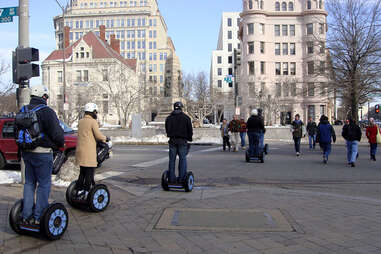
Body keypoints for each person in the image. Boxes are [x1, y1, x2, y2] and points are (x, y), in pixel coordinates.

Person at [20, 85, 64, 227]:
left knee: (29, 183)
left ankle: (26, 216)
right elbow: (57, 135)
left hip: (27, 153)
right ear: (44, 96)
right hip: (43, 153)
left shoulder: (23, 110)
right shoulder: (47, 111)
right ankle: (39, 217)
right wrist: (58, 144)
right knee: (44, 184)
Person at [75, 103, 107, 199]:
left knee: (82, 173)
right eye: (95, 112)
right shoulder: (93, 122)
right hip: (88, 153)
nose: (96, 114)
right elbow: (98, 135)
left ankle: (78, 190)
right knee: (89, 173)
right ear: (93, 112)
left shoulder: (80, 121)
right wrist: (105, 138)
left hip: (80, 152)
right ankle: (86, 193)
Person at [165, 102, 193, 183]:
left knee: (172, 160)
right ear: (181, 108)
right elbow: (190, 130)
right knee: (182, 159)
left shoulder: (169, 118)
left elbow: (167, 129)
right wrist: (189, 139)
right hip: (182, 141)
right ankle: (182, 178)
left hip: (172, 141)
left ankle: (171, 178)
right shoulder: (186, 118)